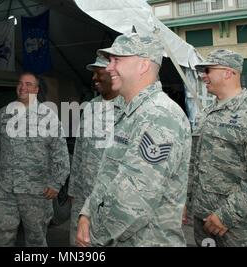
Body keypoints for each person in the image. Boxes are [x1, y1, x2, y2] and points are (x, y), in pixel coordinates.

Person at [75, 33, 191, 247]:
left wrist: (94, 234)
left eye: (116, 60)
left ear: (143, 65)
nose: (109, 68)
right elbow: (107, 173)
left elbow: (135, 200)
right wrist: (87, 213)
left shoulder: (159, 116)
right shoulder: (131, 112)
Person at [191, 49, 247, 247]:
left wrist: (225, 216)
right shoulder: (206, 114)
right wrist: (189, 204)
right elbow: (194, 164)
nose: (203, 76)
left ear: (228, 72)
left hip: (241, 229)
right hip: (204, 220)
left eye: (207, 70)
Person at [0, 72, 70, 247]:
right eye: (20, 83)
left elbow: (61, 154)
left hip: (36, 192)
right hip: (4, 190)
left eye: (29, 84)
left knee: (36, 240)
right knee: (1, 237)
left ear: (36, 89)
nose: (23, 87)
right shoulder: (4, 114)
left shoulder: (48, 117)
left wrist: (56, 183)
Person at [67, 55, 122, 246]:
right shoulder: (90, 106)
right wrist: (73, 188)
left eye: (99, 73)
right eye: (93, 74)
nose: (94, 79)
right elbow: (80, 148)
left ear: (113, 74)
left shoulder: (128, 108)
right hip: (83, 194)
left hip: (110, 199)